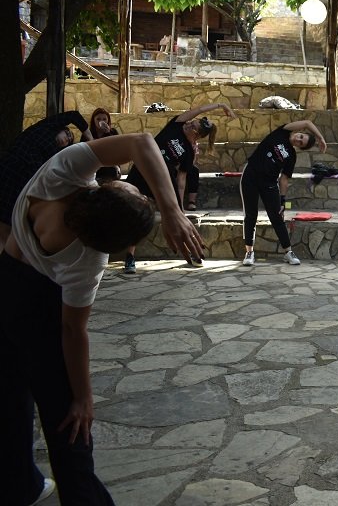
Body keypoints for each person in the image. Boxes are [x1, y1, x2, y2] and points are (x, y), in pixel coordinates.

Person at [0, 133, 203, 506]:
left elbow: (140, 143)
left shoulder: (61, 174)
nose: (138, 190)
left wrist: (169, 209)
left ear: (107, 191)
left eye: (133, 191)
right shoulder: (86, 259)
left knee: (11, 397)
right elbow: (72, 329)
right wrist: (83, 398)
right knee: (69, 424)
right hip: (38, 307)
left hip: (7, 281)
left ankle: (19, 486)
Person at [123, 102, 236, 273]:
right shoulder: (175, 125)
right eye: (190, 122)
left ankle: (193, 252)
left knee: (179, 218)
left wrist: (179, 206)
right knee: (132, 211)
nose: (188, 124)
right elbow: (199, 109)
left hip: (163, 178)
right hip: (142, 168)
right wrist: (220, 105)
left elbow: (181, 180)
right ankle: (129, 256)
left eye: (192, 126)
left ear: (196, 135)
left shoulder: (189, 153)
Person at [240, 120, 327, 266]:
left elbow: (284, 179)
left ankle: (288, 252)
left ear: (300, 147)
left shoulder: (291, 156)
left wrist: (282, 200)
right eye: (300, 136)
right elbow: (307, 123)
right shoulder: (282, 132)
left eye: (301, 143)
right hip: (250, 176)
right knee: (250, 214)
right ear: (298, 132)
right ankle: (249, 252)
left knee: (277, 216)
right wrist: (320, 138)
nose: (298, 140)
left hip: (269, 184)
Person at [0, 111, 92, 248]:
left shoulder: (55, 157)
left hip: (22, 184)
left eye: (69, 141)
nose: (66, 139)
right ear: (60, 129)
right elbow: (74, 115)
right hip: (9, 168)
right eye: (67, 134)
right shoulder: (45, 127)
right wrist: (89, 137)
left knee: (7, 224)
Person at [184, 122, 217, 211]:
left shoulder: (194, 144)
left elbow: (192, 161)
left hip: (184, 167)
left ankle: (191, 202)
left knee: (194, 170)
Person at [87, 108, 121, 183]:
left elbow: (116, 150)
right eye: (98, 119)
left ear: (108, 120)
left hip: (109, 166)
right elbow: (83, 150)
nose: (101, 121)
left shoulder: (113, 132)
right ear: (93, 120)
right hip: (93, 165)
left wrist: (108, 133)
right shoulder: (88, 134)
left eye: (104, 119)